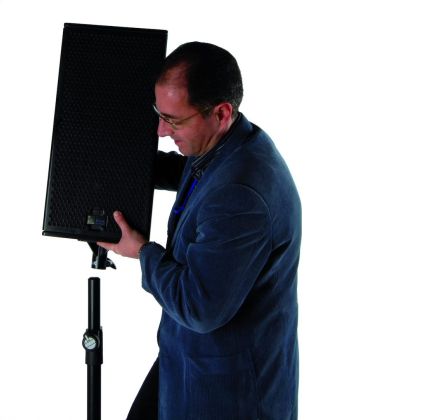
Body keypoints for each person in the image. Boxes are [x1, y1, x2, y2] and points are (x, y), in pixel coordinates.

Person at [98, 42, 301, 420]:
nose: (161, 130)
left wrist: (141, 251)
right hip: (188, 360)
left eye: (173, 121)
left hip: (226, 393)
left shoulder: (241, 196)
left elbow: (199, 306)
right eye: (159, 114)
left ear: (221, 113)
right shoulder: (228, 144)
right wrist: (123, 165)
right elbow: (195, 176)